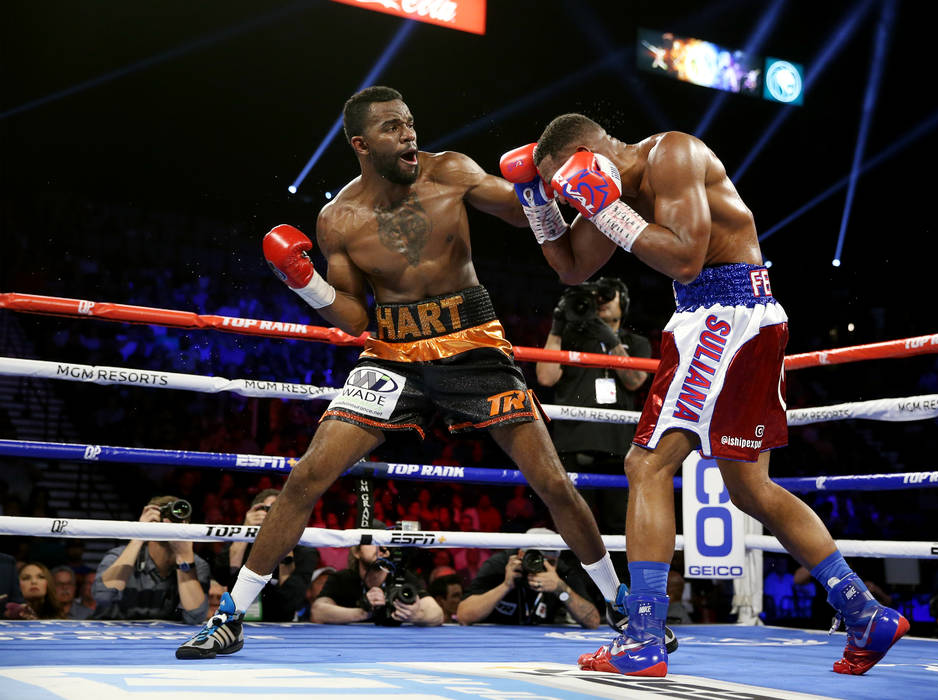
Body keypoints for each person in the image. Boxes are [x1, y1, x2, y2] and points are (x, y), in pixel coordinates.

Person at [177, 86, 623, 659]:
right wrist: (304, 284)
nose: (409, 134)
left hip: (473, 343)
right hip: (394, 352)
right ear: (362, 144)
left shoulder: (453, 171)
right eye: (392, 127)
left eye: (410, 122)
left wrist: (536, 184)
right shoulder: (337, 218)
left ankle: (619, 601)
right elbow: (355, 315)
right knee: (306, 475)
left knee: (554, 482)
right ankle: (231, 617)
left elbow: (520, 213)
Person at [498, 114, 908, 677]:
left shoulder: (673, 154)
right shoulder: (622, 190)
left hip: (724, 313)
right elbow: (572, 268)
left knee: (646, 463)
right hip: (733, 318)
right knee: (750, 487)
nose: (568, 194)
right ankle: (863, 611)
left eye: (564, 183)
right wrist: (536, 204)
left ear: (588, 152)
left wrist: (603, 204)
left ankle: (642, 635)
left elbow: (685, 259)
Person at [535, 277, 650, 549]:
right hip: (573, 446)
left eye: (608, 296)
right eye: (595, 297)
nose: (601, 302)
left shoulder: (636, 342)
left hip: (618, 450)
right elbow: (545, 377)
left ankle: (621, 589)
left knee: (620, 529)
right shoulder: (570, 338)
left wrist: (609, 339)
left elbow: (634, 380)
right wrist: (557, 325)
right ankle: (578, 589)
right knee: (574, 528)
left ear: (624, 302)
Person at [94, 496, 210, 624]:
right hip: (115, 636)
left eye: (176, 516)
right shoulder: (120, 556)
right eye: (164, 515)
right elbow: (103, 597)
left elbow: (196, 616)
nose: (168, 522)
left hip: (166, 641)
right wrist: (139, 535)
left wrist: (184, 558)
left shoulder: (197, 564)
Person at [209, 489, 318, 622]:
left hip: (281, 623)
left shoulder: (305, 552)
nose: (277, 514)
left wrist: (285, 542)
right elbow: (223, 578)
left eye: (283, 509)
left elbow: (289, 601)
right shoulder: (239, 544)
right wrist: (245, 530)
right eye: (270, 509)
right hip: (236, 619)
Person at [456, 529, 601, 629]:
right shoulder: (501, 564)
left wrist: (561, 589)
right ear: (521, 554)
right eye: (537, 559)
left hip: (543, 644)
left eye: (550, 561)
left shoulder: (561, 572)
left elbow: (593, 621)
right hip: (494, 638)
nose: (542, 566)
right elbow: (464, 615)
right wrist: (505, 586)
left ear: (557, 560)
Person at [311, 543, 442, 626]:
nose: (380, 548)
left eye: (384, 543)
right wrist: (363, 613)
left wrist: (415, 616)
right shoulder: (342, 578)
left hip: (394, 647)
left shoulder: (402, 577)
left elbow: (437, 614)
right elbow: (317, 612)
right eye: (373, 542)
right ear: (356, 552)